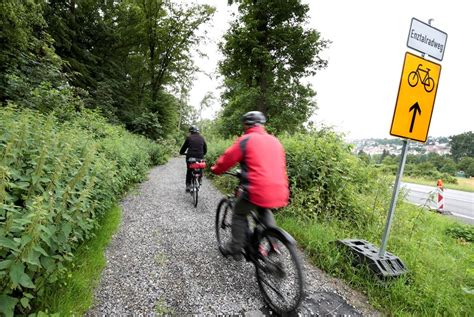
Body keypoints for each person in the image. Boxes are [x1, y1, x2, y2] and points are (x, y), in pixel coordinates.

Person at [211, 111, 289, 259]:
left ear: (247, 124)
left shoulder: (246, 139)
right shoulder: (275, 141)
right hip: (280, 189)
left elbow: (227, 159)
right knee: (264, 211)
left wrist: (216, 170)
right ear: (262, 124)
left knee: (239, 213)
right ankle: (274, 245)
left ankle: (235, 247)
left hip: (256, 189)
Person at [180, 125, 207, 192]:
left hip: (190, 157)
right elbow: (205, 149)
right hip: (200, 157)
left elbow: (184, 147)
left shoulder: (189, 138)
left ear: (191, 131)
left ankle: (188, 185)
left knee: (189, 169)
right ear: (198, 131)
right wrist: (203, 153)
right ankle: (199, 179)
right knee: (200, 167)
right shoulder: (202, 138)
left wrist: (181, 152)